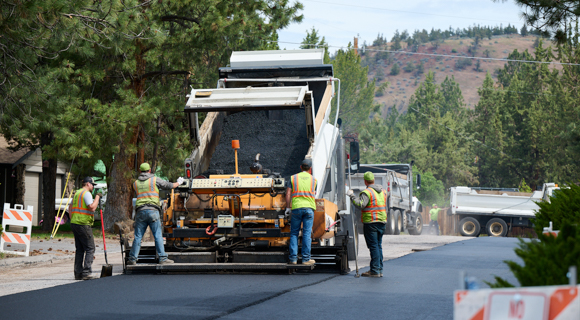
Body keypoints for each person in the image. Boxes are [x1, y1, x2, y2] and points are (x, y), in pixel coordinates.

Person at [127, 163, 184, 265]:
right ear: (149, 170)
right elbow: (169, 185)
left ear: (140, 171)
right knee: (157, 235)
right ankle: (162, 258)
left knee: (138, 237)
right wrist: (179, 182)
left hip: (140, 212)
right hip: (153, 211)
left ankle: (132, 259)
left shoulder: (135, 183)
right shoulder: (154, 180)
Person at [347, 171, 387, 278]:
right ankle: (379, 269)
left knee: (373, 246)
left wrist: (352, 196)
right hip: (382, 221)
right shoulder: (383, 191)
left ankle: (374, 270)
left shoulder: (367, 192)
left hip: (371, 222)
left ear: (365, 181)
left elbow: (361, 204)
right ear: (374, 180)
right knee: (378, 245)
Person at [69, 177, 103, 280]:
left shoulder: (77, 193)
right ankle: (87, 272)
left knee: (80, 249)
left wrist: (73, 219)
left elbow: (70, 208)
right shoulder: (86, 194)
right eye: (93, 185)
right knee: (90, 247)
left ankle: (78, 273)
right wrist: (97, 197)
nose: (93, 187)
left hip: (75, 223)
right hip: (83, 224)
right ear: (88, 184)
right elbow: (92, 207)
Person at [285, 158, 317, 266]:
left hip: (296, 208)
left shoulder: (293, 178)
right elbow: (314, 193)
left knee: (294, 233)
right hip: (309, 209)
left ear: (300, 167)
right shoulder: (314, 180)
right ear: (310, 169)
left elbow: (288, 193)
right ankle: (305, 259)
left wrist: (288, 208)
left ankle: (293, 259)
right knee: (306, 234)